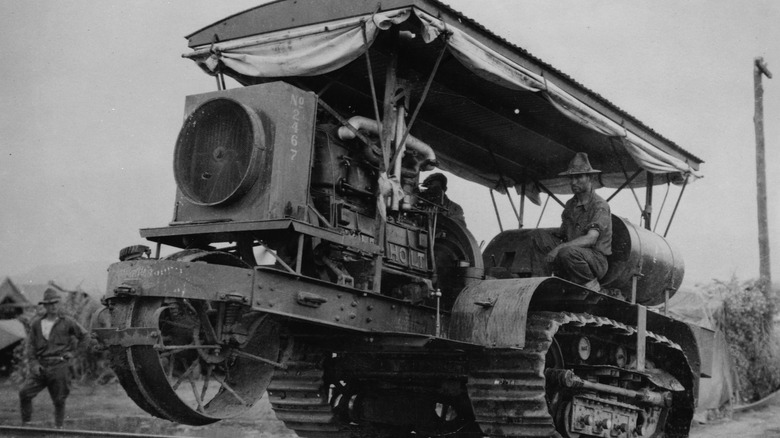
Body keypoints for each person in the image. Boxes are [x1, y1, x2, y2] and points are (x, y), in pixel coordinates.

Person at [19, 287, 88, 428]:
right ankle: (26, 425)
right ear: (44, 306)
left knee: (59, 400)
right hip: (41, 367)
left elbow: (85, 336)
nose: (53, 306)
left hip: (59, 366)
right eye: (49, 304)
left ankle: (59, 429)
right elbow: (30, 346)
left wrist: (73, 354)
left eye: (55, 303)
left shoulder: (67, 322)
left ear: (59, 304)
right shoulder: (37, 324)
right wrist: (34, 364)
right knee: (24, 393)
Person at [544, 152, 612, 291]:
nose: (573, 182)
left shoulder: (599, 205)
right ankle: (541, 283)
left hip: (595, 259)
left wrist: (558, 248)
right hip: (575, 253)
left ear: (590, 178)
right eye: (571, 178)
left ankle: (592, 287)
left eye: (578, 177)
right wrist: (543, 235)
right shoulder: (570, 205)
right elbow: (563, 232)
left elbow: (591, 238)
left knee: (566, 252)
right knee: (539, 238)